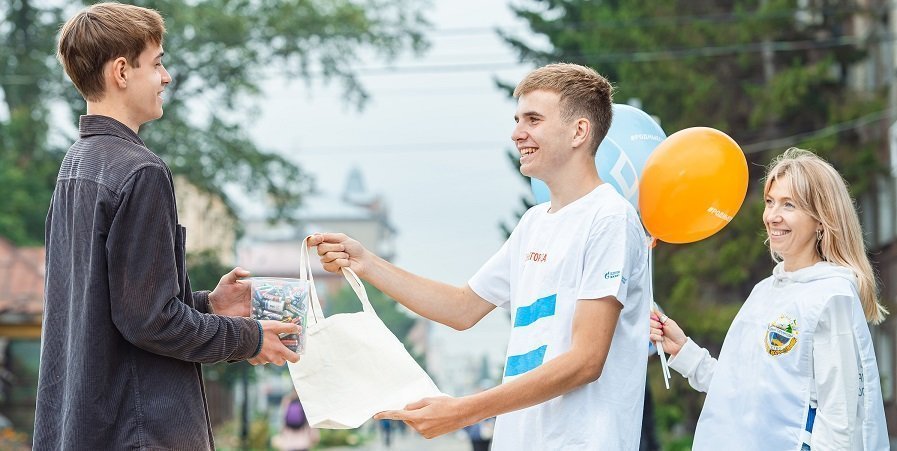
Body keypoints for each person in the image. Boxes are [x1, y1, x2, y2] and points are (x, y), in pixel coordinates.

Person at [309, 63, 651, 450]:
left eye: (533, 119)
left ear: (579, 131)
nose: (517, 133)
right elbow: (462, 307)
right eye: (518, 119)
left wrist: (463, 411)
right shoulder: (534, 222)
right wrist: (365, 262)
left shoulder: (610, 218)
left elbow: (586, 360)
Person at [34, 3, 299, 449]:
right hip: (138, 432)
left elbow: (121, 306)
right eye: (157, 63)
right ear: (122, 71)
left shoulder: (76, 166)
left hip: (82, 428)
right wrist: (249, 338)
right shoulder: (140, 171)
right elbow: (150, 321)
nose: (166, 77)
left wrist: (208, 305)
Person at [650, 148, 889, 450]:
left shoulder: (832, 295)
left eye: (788, 205)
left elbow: (840, 419)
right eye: (769, 202)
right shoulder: (764, 291)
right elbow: (742, 392)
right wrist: (684, 351)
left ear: (821, 219)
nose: (772, 216)